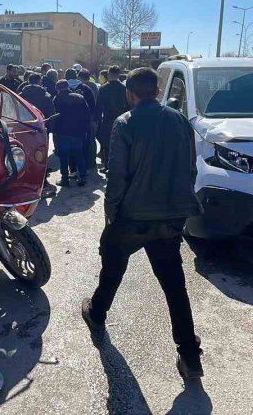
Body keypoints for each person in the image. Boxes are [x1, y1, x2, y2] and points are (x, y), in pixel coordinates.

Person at [81, 67, 204, 379]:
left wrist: (110, 212)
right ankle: (189, 355)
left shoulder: (125, 123)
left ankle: (97, 314)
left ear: (130, 94)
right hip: (170, 218)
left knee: (112, 265)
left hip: (134, 217)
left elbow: (117, 175)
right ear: (157, 89)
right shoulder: (180, 120)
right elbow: (190, 168)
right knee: (175, 285)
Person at [20, 73, 57, 197]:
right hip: (41, 130)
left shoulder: (21, 95)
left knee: (26, 155)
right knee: (41, 156)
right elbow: (51, 114)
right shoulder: (46, 96)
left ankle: (26, 180)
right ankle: (43, 183)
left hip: (23, 130)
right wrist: (50, 130)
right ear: (40, 81)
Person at [52, 80, 90, 187]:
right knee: (79, 155)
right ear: (67, 87)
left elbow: (54, 117)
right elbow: (87, 116)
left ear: (58, 89)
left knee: (63, 157)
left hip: (62, 133)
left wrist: (54, 132)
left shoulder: (56, 99)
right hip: (77, 132)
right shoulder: (79, 98)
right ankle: (82, 177)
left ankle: (65, 179)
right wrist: (85, 130)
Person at [94, 66, 130, 172]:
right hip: (123, 119)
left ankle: (108, 166)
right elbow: (129, 105)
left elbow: (99, 106)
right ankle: (121, 165)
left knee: (107, 144)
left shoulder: (103, 88)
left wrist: (96, 120)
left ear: (109, 75)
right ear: (118, 74)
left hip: (108, 120)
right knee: (122, 144)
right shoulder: (124, 88)